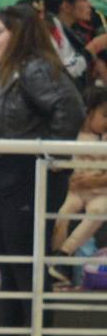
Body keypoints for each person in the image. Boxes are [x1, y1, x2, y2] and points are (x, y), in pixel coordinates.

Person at [0, 5, 84, 336]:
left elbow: (70, 108)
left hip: (26, 180)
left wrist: (53, 156)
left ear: (19, 34)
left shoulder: (36, 67)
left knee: (28, 264)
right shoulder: (5, 72)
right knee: (9, 264)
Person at [52, 88, 107, 265]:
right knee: (62, 213)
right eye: (104, 115)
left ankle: (65, 253)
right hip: (74, 190)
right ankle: (53, 257)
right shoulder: (71, 133)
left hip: (100, 192)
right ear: (88, 112)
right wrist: (67, 173)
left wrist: (96, 180)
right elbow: (60, 161)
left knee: (98, 212)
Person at [40, 0, 107, 88]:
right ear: (67, 7)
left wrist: (96, 61)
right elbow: (64, 74)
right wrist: (94, 47)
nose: (90, 4)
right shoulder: (49, 31)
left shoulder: (76, 28)